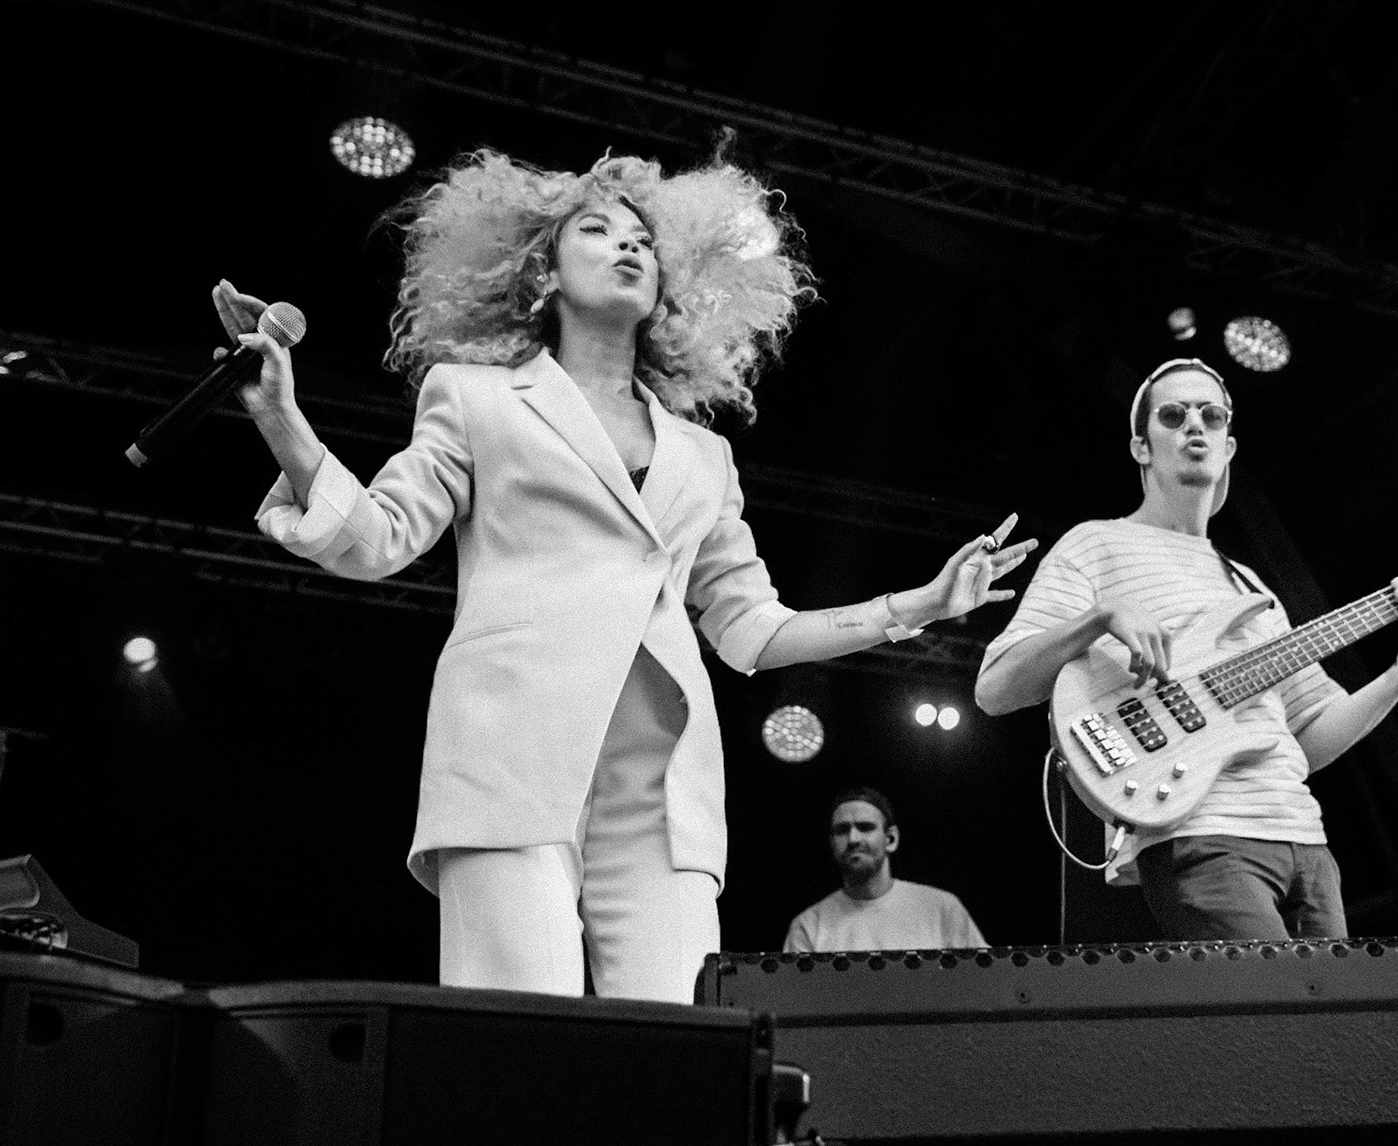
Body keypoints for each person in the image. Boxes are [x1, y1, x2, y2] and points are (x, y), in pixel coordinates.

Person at [220, 145, 1034, 1002]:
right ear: (543, 273)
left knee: (674, 1050)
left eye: (643, 240)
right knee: (514, 1040)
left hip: (663, 797)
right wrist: (283, 419)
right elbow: (378, 538)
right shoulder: (476, 398)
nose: (628, 247)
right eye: (598, 230)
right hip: (508, 760)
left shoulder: (704, 456)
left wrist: (916, 605)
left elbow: (752, 630)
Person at [973, 357, 1398, 941]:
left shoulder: (1253, 588)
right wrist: (1101, 617)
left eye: (1211, 415)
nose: (1194, 425)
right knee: (1278, 1015)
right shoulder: (1098, 543)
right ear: (1141, 447)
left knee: (1334, 1027)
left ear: (1228, 446)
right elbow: (995, 688)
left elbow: (1307, 735)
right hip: (1200, 834)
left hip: (1305, 838)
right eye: (1172, 415)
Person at [783, 788, 985, 952]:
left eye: (865, 827)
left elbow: (984, 985)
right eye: (842, 830)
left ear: (891, 839)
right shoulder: (809, 926)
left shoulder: (942, 909)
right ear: (831, 843)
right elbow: (793, 1000)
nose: (853, 839)